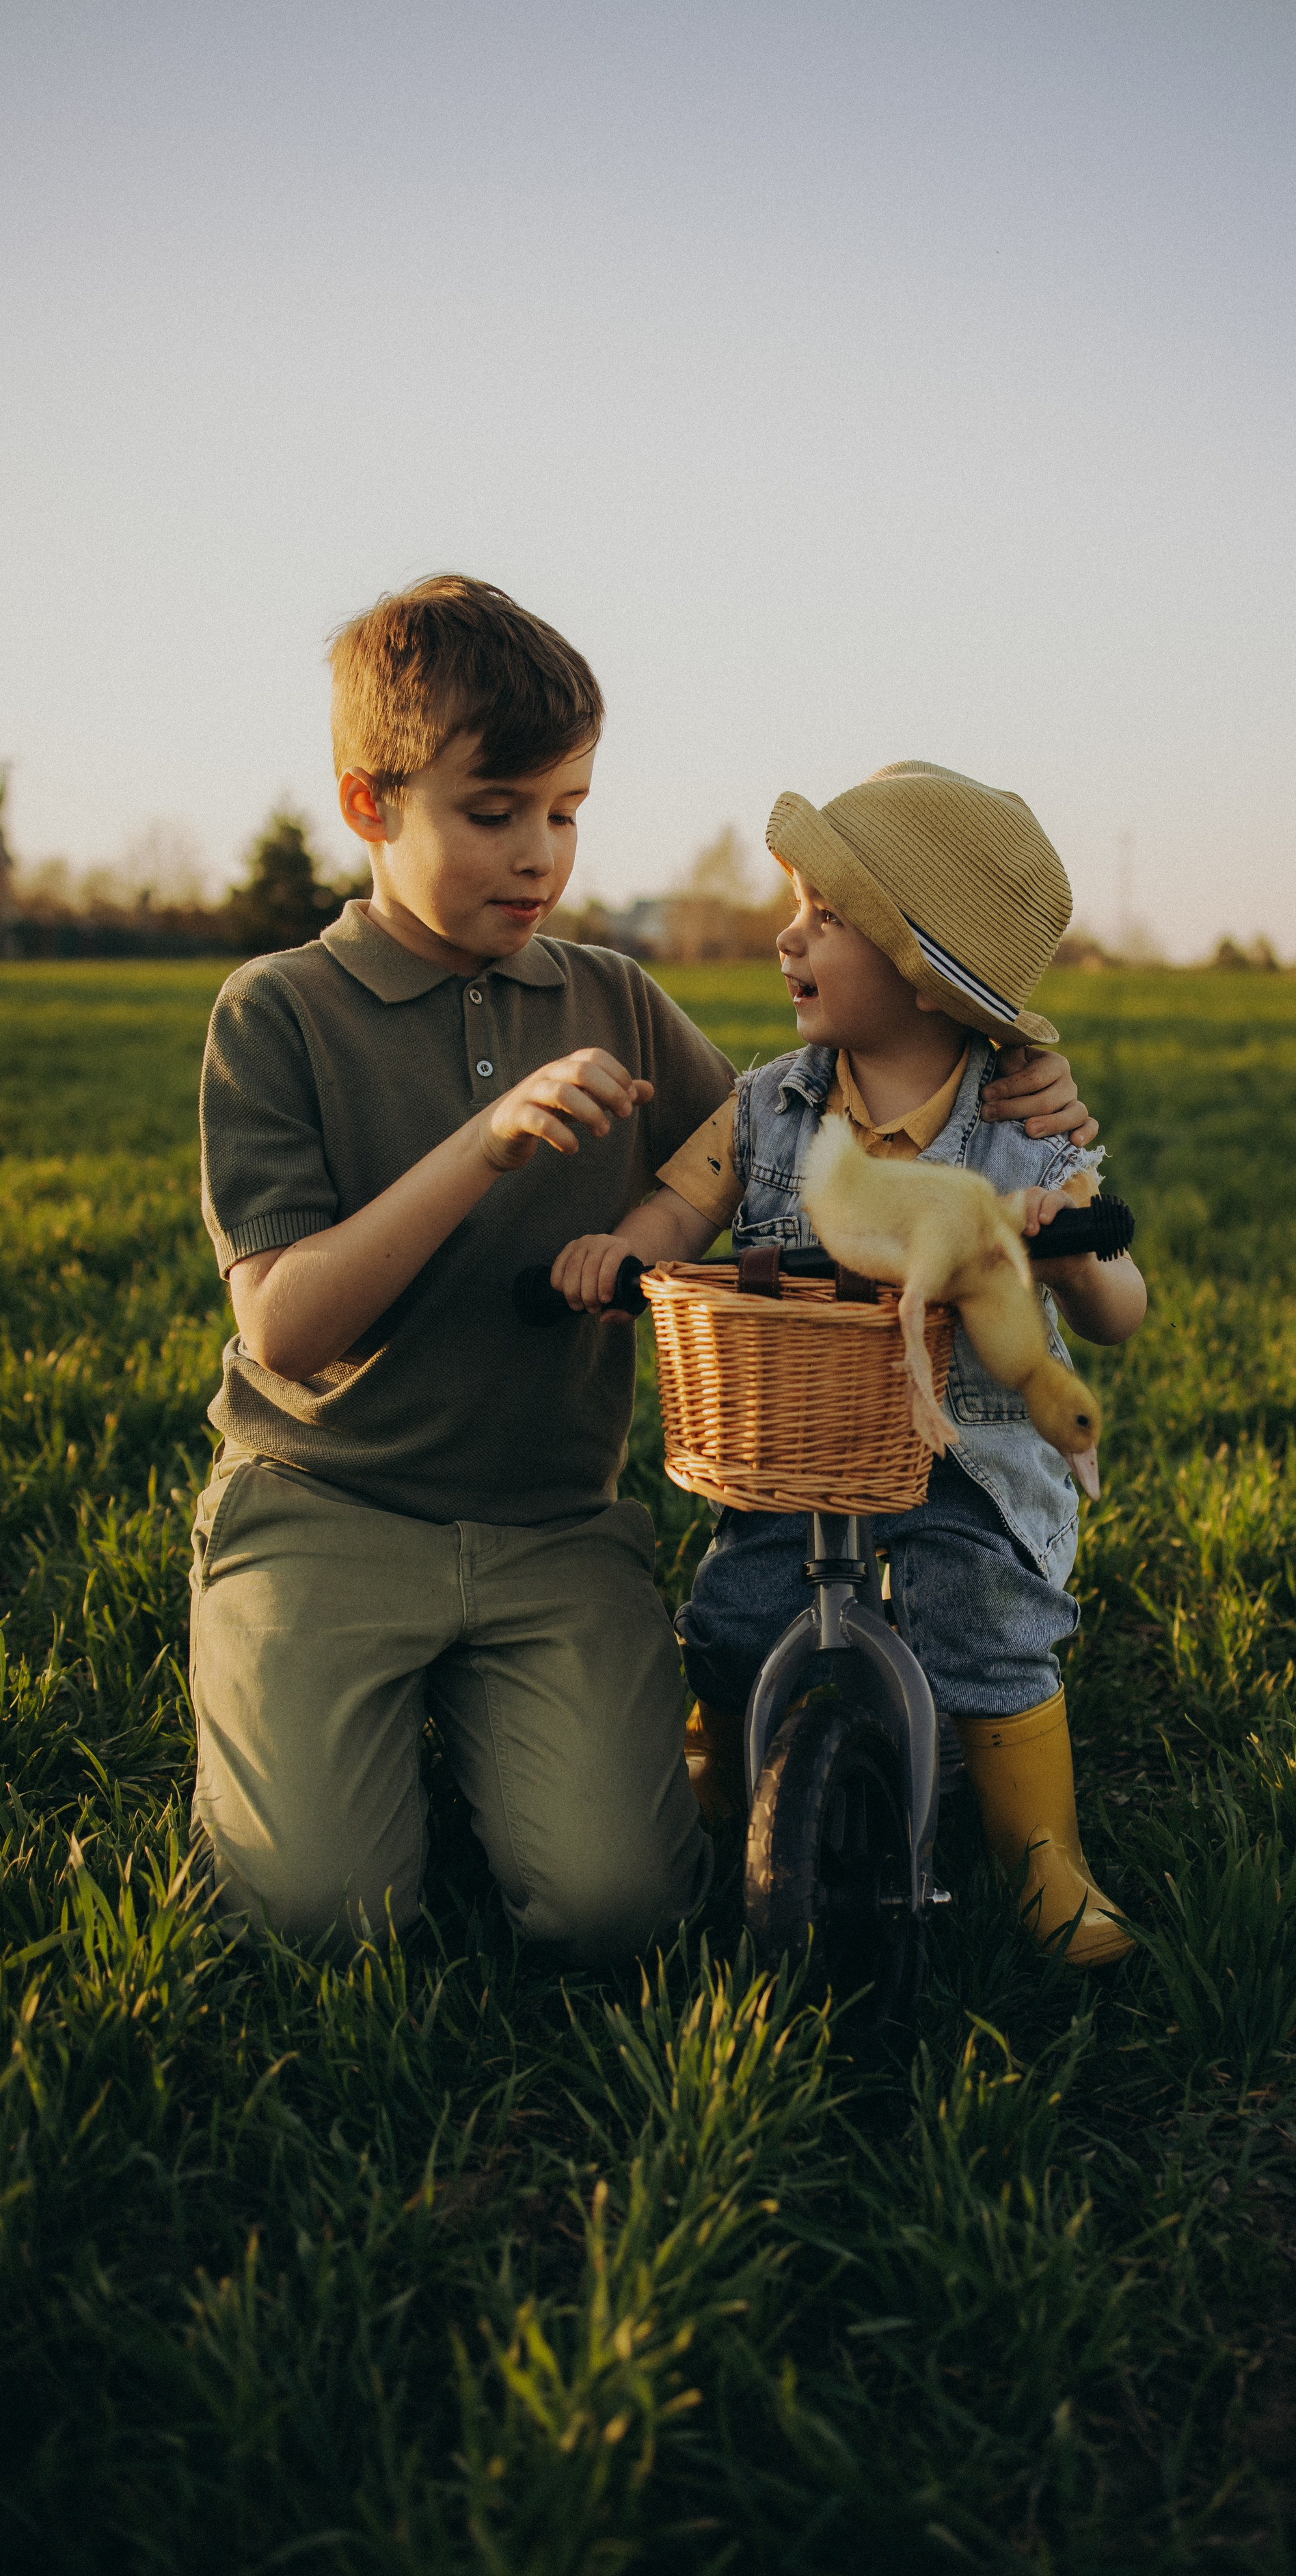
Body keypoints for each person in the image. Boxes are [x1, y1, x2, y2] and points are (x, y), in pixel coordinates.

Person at [191, 582, 1097, 1956]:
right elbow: (288, 1332)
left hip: (554, 1525)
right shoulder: (278, 1012)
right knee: (322, 1920)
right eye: (492, 813)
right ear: (368, 806)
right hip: (330, 1511)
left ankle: (491, 1733)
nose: (536, 855)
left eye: (566, 810)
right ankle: (329, 1724)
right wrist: (482, 1148)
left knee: (622, 1910)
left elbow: (798, 1139)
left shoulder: (611, 995)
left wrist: (1003, 1077)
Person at [553, 761, 1148, 1968]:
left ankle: (1046, 1865)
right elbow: (682, 1209)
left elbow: (1122, 1310)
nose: (788, 938)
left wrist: (1078, 1262)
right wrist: (619, 1259)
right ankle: (715, 1794)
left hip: (963, 1463)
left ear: (924, 970)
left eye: (825, 919)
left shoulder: (1023, 1123)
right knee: (730, 1616)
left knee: (982, 1621)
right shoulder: (769, 1104)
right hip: (796, 1454)